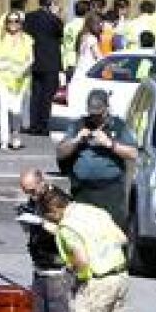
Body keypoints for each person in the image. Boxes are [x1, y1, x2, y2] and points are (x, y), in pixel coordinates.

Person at [40, 187, 129, 312]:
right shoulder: (93, 211)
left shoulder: (66, 228)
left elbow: (82, 260)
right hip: (120, 276)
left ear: (54, 210)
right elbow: (122, 238)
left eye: (48, 216)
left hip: (97, 282)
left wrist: (70, 269)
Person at [16, 169, 74, 312]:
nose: (30, 195)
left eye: (32, 190)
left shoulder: (58, 200)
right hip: (40, 269)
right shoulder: (36, 201)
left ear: (42, 182)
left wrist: (41, 223)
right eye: (26, 192)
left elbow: (65, 229)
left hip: (56, 272)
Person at [56, 89, 139, 226]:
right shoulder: (79, 125)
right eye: (92, 114)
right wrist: (76, 141)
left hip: (109, 192)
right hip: (83, 191)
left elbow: (133, 153)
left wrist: (109, 144)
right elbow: (61, 152)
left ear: (107, 109)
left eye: (99, 114)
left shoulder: (118, 126)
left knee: (110, 231)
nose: (95, 118)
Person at [0, 10, 35, 151]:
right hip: (2, 78)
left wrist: (23, 69)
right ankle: (4, 140)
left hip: (20, 80)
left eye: (16, 21)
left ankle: (15, 133)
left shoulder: (28, 39)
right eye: (10, 21)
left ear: (21, 23)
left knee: (15, 110)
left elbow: (31, 58)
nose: (13, 24)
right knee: (3, 108)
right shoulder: (0, 39)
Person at [25, 0, 65, 136]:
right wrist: (55, 15)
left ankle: (34, 124)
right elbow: (60, 33)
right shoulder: (54, 20)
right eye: (55, 3)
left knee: (36, 94)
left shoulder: (29, 17)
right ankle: (43, 125)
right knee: (47, 96)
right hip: (51, 62)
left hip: (35, 60)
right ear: (50, 4)